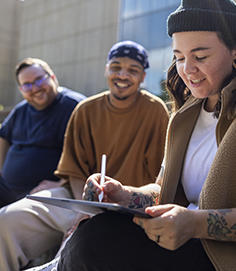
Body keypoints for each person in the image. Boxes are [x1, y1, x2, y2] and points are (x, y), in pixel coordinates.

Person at [56, 0, 236, 271]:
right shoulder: (186, 113)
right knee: (98, 229)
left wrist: (197, 223)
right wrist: (123, 195)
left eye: (200, 56)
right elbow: (163, 191)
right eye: (179, 57)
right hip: (190, 246)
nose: (187, 69)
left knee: (95, 244)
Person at [0, 41, 169, 271]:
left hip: (129, 206)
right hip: (78, 198)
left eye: (133, 70)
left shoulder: (155, 110)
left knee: (79, 245)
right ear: (106, 70)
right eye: (116, 67)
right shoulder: (85, 110)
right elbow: (75, 170)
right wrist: (83, 206)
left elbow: (160, 179)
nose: (122, 75)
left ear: (143, 77)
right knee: (7, 220)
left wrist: (115, 204)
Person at [0, 57, 85, 208]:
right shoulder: (21, 110)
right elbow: (3, 136)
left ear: (52, 77)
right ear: (21, 90)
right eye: (27, 85)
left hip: (41, 193)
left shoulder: (75, 107)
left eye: (39, 80)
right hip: (5, 188)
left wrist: (62, 184)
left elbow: (88, 154)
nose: (35, 88)